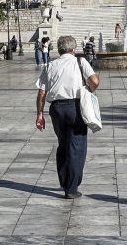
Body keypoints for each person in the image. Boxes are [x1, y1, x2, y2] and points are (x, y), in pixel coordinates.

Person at [36, 36, 100, 199]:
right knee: (77, 147)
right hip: (75, 108)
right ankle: (71, 188)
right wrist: (90, 90)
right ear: (74, 49)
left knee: (63, 145)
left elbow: (41, 92)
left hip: (56, 109)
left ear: (59, 50)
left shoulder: (51, 65)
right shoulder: (80, 62)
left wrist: (39, 115)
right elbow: (94, 80)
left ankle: (65, 181)